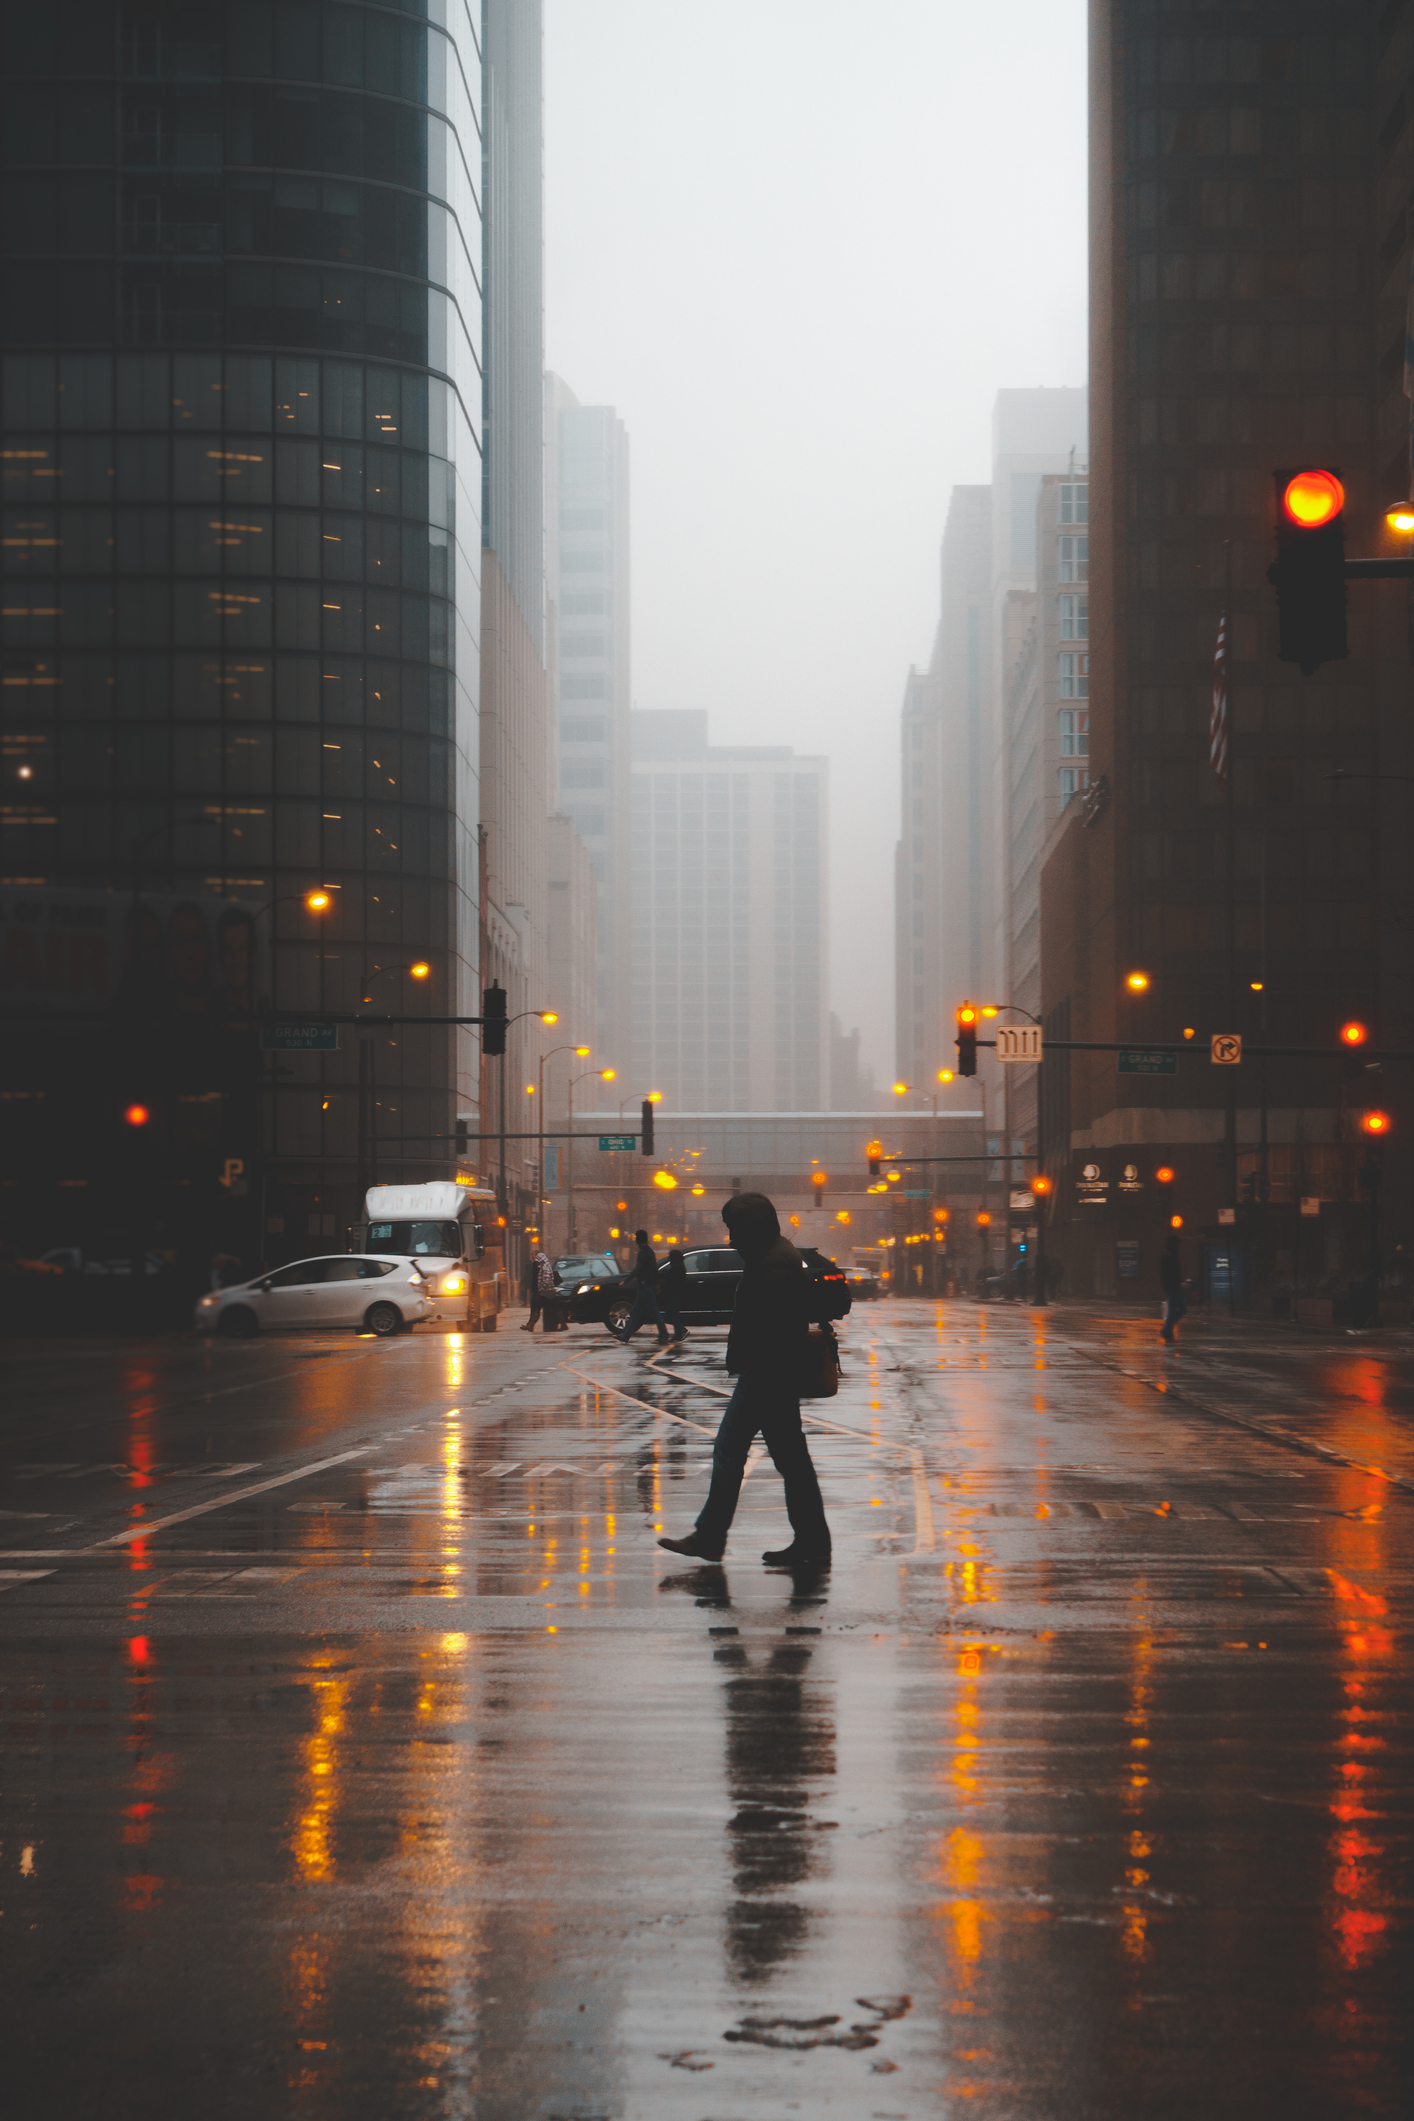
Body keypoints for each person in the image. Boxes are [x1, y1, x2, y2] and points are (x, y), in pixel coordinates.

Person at [658, 1192, 831, 1569]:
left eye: (735, 1230)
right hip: (773, 1373)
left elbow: (772, 1328)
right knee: (791, 1459)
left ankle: (709, 1536)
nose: (731, 1239)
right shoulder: (774, 1257)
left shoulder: (775, 1267)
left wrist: (751, 1365)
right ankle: (813, 1540)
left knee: (729, 1449)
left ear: (753, 1228)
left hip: (766, 1374)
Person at [613, 1229, 670, 1345]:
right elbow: (655, 1270)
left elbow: (637, 1269)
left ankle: (663, 1334)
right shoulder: (650, 1252)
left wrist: (625, 1281)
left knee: (651, 1312)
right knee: (636, 1312)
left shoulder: (643, 1253)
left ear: (638, 1239)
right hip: (647, 1286)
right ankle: (625, 1335)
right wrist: (657, 1284)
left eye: (636, 1238)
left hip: (645, 1286)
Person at [1160, 1231, 1187, 1344]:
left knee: (1180, 1308)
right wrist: (1176, 1282)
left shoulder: (1170, 1253)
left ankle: (1167, 1329)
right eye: (1178, 1243)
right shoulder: (1169, 1254)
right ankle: (1167, 1332)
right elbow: (1170, 1272)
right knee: (1176, 1309)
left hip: (1173, 1286)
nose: (1179, 1245)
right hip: (1172, 1287)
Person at [659, 1246, 688, 1342]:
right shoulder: (680, 1267)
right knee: (672, 1313)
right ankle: (679, 1332)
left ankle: (681, 1331)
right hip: (677, 1295)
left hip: (674, 1295)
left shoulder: (676, 1268)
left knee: (671, 1313)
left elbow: (671, 1281)